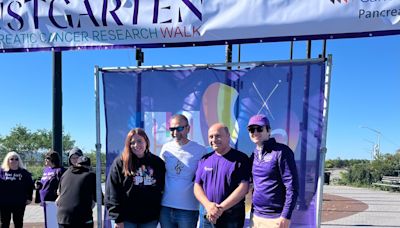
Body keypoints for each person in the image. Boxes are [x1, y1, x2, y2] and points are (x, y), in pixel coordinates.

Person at [106, 128, 166, 228]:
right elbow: (112, 191)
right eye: (132, 142)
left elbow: (163, 187)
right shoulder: (120, 162)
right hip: (126, 219)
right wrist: (117, 218)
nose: (136, 145)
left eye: (139, 141)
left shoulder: (157, 163)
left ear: (146, 141)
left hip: (150, 219)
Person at [194, 123, 251, 228]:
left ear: (228, 136)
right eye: (211, 137)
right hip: (207, 215)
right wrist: (208, 206)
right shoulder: (204, 160)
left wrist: (219, 209)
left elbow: (243, 188)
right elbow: (197, 186)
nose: (214, 139)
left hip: (231, 216)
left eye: (218, 136)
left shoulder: (240, 159)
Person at [247, 114, 299, 228]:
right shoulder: (254, 155)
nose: (255, 132)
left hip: (276, 218)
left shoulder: (282, 152)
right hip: (255, 216)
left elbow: (292, 186)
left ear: (268, 130)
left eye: (259, 128)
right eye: (251, 129)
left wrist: (286, 215)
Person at [159, 114, 207, 228]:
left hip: (188, 210)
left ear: (188, 129)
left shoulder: (200, 150)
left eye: (179, 128)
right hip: (165, 207)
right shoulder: (166, 148)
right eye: (172, 129)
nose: (175, 132)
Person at [57, 155, 96, 228]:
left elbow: (59, 192)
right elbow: (99, 198)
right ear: (89, 166)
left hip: (62, 217)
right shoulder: (91, 175)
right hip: (81, 218)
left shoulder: (66, 173)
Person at [0, 152, 33, 228]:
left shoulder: (24, 172)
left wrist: (29, 198)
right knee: (4, 223)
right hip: (4, 202)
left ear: (19, 161)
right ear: (7, 160)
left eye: (16, 159)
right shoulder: (1, 171)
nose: (14, 161)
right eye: (11, 159)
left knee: (18, 222)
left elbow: (30, 186)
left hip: (19, 202)